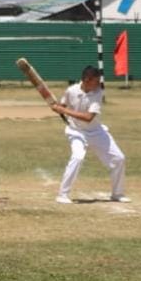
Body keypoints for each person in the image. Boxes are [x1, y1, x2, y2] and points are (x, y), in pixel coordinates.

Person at [50, 65, 130, 204]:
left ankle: (117, 193)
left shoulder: (98, 92)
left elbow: (88, 117)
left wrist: (64, 111)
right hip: (76, 132)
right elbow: (62, 106)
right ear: (87, 79)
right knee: (77, 157)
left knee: (119, 158)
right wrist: (57, 108)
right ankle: (62, 195)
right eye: (96, 80)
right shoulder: (71, 90)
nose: (99, 83)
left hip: (96, 132)